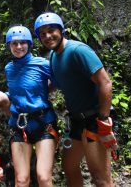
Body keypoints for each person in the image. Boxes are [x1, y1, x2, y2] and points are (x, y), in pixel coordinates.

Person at [34, 12, 117, 187]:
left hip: (94, 120)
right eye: (42, 34)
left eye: (51, 30)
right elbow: (58, 82)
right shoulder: (54, 57)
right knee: (69, 167)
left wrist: (103, 119)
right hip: (76, 122)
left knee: (100, 178)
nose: (48, 36)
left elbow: (105, 83)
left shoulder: (78, 50)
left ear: (61, 30)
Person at [4, 25, 58, 187]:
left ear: (29, 44)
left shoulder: (42, 64)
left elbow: (57, 82)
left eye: (22, 43)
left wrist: (42, 92)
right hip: (19, 125)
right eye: (14, 43)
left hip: (43, 122)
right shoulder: (9, 68)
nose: (19, 47)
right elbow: (16, 91)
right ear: (9, 46)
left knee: (43, 177)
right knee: (21, 180)